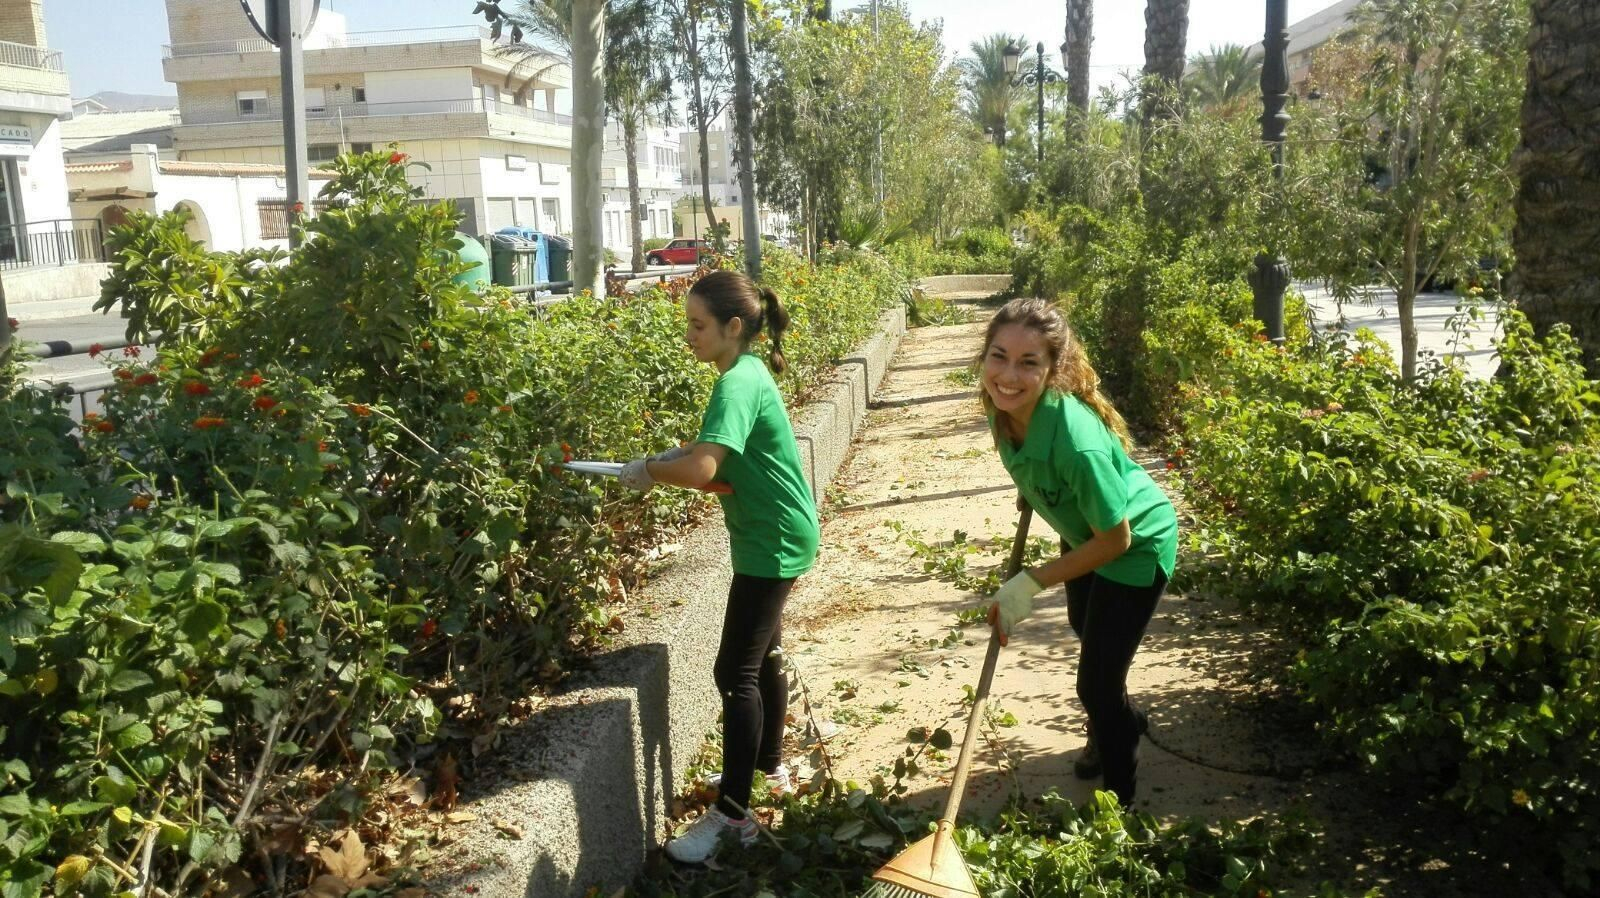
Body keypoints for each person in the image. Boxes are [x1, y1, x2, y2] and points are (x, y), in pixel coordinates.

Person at [618, 269, 820, 863]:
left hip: (771, 542)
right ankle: (772, 767)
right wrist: (669, 458)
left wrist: (650, 470)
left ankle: (733, 814)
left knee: (734, 673)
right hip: (778, 529)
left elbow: (706, 470)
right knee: (767, 658)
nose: (689, 336)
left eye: (698, 325)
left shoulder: (736, 383)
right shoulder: (749, 371)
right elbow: (724, 468)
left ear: (734, 327)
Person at [979, 298, 1178, 806]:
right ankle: (1116, 721)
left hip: (1135, 546)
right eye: (998, 356)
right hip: (1085, 530)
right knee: (1085, 628)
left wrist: (1031, 581)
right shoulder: (1002, 406)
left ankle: (1120, 803)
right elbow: (1031, 460)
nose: (1007, 375)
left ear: (1053, 370)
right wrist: (1033, 481)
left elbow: (1117, 539)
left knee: (1096, 682)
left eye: (1029, 363)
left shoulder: (1077, 442)